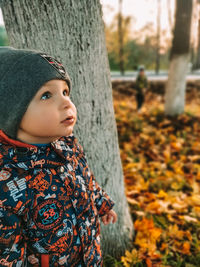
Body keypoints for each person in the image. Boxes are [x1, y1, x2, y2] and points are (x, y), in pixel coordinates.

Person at [0, 47, 117, 267]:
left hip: (89, 253)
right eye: (46, 95)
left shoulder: (67, 145)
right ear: (10, 111)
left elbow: (85, 178)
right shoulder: (7, 179)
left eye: (65, 92)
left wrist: (101, 202)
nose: (67, 103)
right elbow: (7, 250)